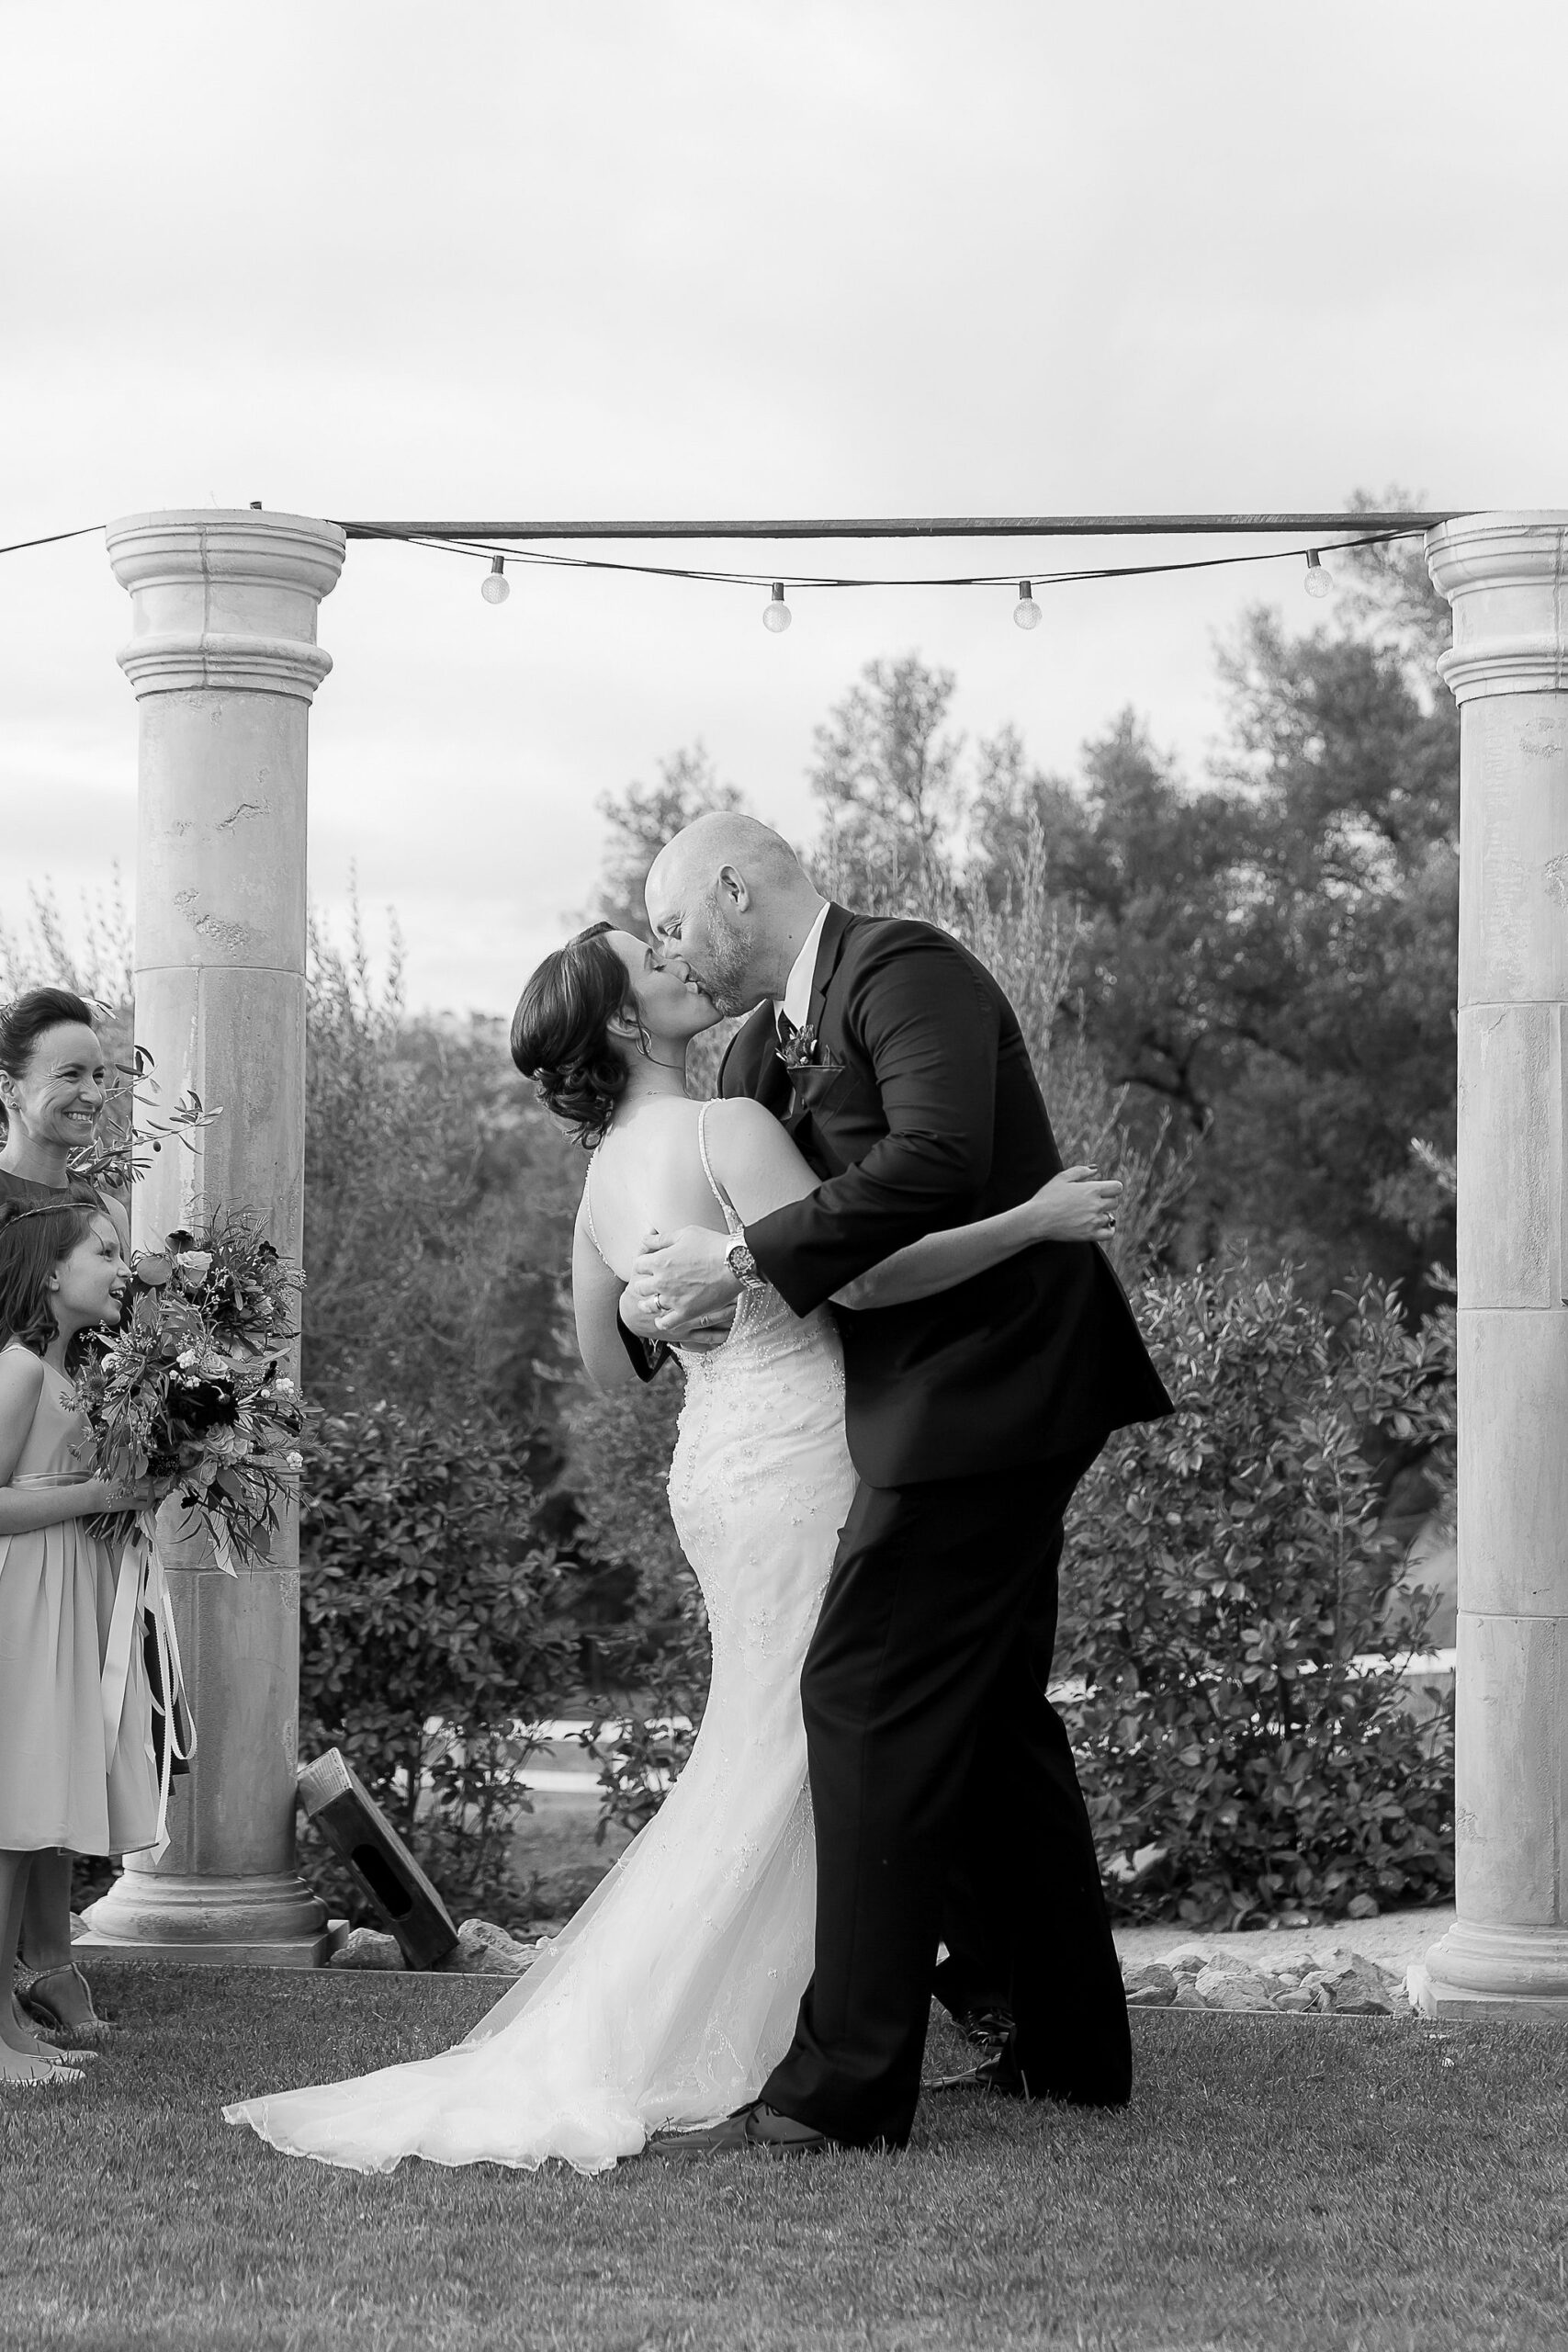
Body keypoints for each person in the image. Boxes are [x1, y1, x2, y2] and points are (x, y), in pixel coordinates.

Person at [222, 920, 1119, 2173]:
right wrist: (1028, 1222)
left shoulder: (600, 1180)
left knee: (781, 1738)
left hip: (714, 1467)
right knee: (839, 1734)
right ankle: (823, 2036)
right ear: (626, 1024)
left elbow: (607, 1369)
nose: (679, 963)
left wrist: (662, 1303)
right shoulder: (726, 1130)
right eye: (650, 961)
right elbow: (863, 1282)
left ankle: (827, 2013)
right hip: (805, 1452)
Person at [630, 813, 1172, 2156]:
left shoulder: (906, 969)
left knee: (860, 1687)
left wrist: (745, 1262)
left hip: (1001, 1380)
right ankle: (1065, 2048)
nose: (669, 950)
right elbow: (829, 1255)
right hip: (902, 1390)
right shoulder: (760, 1048)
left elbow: (930, 1161)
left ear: (735, 889)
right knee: (987, 1715)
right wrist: (688, 1296)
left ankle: (841, 2088)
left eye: (676, 921)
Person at [0, 1199, 158, 2086]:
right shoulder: (19, 1370)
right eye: (103, 1252)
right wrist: (101, 1492)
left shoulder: (72, 1374)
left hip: (66, 1596)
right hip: (22, 1600)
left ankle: (13, 2030)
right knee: (8, 1820)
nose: (118, 1268)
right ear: (52, 1273)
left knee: (27, 1826)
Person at [0, 986, 130, 2047]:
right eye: (71, 1074)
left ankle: (47, 1955)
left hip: (70, 1529)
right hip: (13, 1513)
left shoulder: (100, 1224)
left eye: (104, 1073)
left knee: (51, 1737)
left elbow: (111, 1366)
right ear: (10, 1088)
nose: (95, 1092)